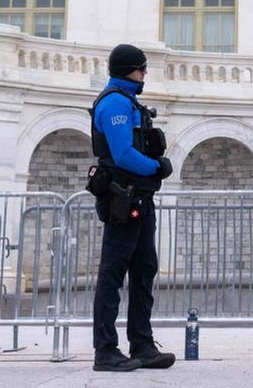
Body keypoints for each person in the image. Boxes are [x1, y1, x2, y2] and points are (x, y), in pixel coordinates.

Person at [89, 43, 176, 372]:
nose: (144, 74)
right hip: (123, 200)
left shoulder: (127, 101)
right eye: (141, 69)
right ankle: (105, 351)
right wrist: (157, 167)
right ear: (129, 70)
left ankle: (142, 345)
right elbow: (123, 154)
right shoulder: (114, 103)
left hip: (140, 199)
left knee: (143, 271)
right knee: (112, 274)